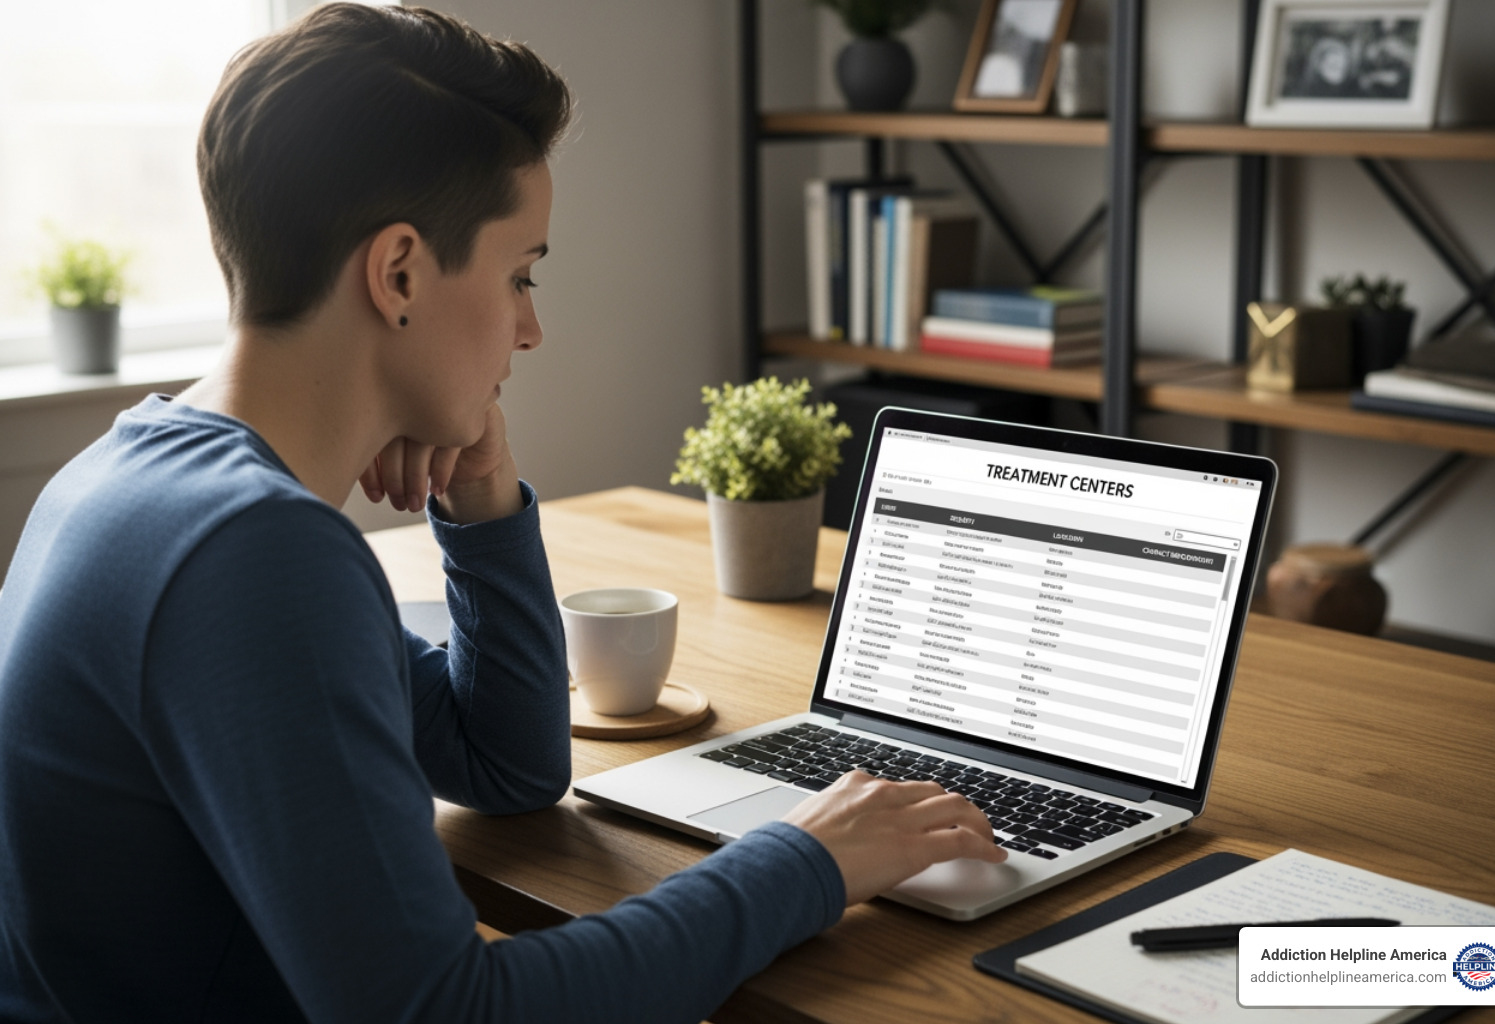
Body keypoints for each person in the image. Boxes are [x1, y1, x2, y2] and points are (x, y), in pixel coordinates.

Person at [0, 5, 1003, 1021]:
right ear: (398, 272)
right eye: (520, 274)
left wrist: (482, 504)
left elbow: (509, 766)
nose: (531, 328)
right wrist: (806, 858)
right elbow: (452, 1013)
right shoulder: (253, 554)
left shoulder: (128, 478)